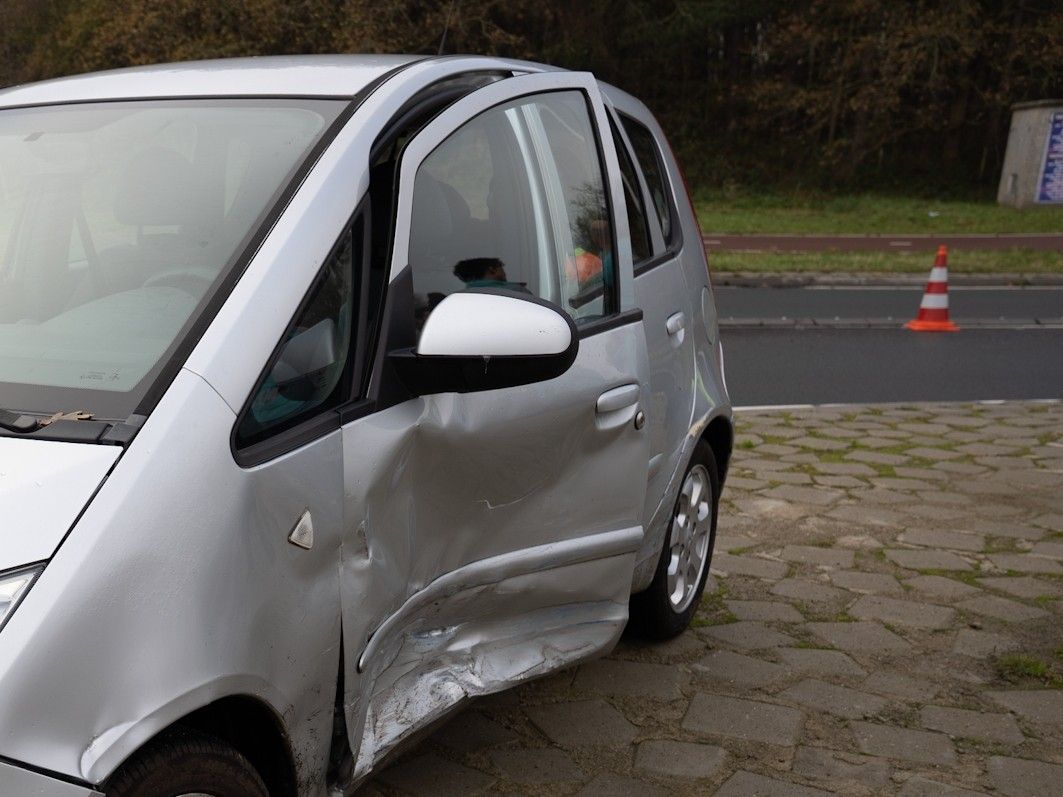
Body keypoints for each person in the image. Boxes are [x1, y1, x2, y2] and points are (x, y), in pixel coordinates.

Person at [453, 257, 530, 293]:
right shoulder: (516, 291)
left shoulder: (459, 298)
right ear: (491, 269)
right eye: (501, 269)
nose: (504, 274)